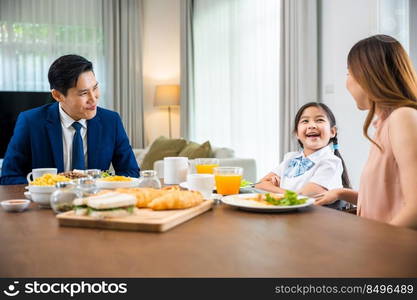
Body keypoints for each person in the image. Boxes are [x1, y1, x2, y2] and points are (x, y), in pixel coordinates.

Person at [315, 35, 417, 230]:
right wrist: (342, 193)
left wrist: (374, 247)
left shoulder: (402, 118)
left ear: (366, 75)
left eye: (348, 74)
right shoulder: (384, 126)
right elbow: (388, 197)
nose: (347, 83)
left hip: (389, 252)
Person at [0, 54, 139, 185]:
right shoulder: (30, 122)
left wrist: (103, 184)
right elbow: (9, 176)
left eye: (95, 88)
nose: (93, 98)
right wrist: (42, 188)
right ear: (58, 95)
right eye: (84, 93)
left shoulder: (111, 121)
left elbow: (131, 172)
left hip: (94, 204)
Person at [256, 102, 351, 199]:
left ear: (332, 132)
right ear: (297, 133)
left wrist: (274, 188)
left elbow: (303, 197)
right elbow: (259, 185)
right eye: (305, 121)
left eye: (319, 120)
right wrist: (282, 191)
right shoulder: (290, 158)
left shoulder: (331, 162)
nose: (312, 125)